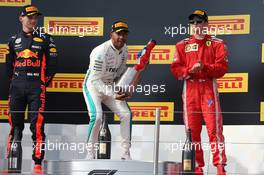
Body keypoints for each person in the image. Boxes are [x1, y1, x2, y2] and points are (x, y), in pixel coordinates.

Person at [171, 10, 228, 175]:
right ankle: (197, 167)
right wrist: (190, 70)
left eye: (200, 22)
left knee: (214, 129)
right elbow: (175, 69)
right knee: (192, 130)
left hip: (208, 88)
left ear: (206, 24)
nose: (196, 25)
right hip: (190, 89)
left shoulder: (217, 43)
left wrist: (205, 67)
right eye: (193, 22)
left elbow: (223, 68)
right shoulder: (182, 45)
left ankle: (220, 166)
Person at [6, 5, 57, 174]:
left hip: (36, 88)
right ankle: (13, 161)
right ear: (21, 18)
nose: (33, 20)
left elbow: (52, 65)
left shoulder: (46, 39)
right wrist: (15, 83)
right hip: (17, 88)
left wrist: (42, 83)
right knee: (15, 126)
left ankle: (37, 164)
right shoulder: (13, 40)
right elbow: (8, 68)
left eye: (35, 17)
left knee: (38, 126)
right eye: (29, 17)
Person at [83, 21, 132, 160]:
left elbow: (120, 73)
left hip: (110, 86)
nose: (121, 37)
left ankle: (126, 153)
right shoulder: (101, 51)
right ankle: (90, 153)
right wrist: (114, 93)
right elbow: (95, 80)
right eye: (118, 34)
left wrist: (125, 87)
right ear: (111, 34)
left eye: (124, 34)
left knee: (126, 114)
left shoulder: (125, 50)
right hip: (93, 86)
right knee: (97, 117)